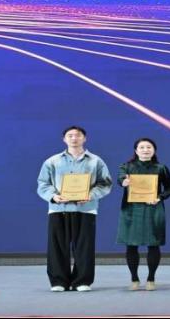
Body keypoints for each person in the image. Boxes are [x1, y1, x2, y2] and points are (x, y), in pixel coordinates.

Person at [36, 125, 113, 292]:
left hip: (86, 209)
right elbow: (42, 183)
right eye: (70, 135)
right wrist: (53, 196)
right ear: (64, 139)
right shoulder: (52, 161)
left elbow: (106, 183)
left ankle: (82, 281)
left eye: (78, 135)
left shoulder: (96, 161)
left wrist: (91, 195)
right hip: (58, 209)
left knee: (84, 247)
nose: (74, 138)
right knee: (57, 247)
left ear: (84, 138)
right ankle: (58, 281)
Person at [117, 137, 170, 291]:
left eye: (149, 147)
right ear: (136, 151)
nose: (145, 150)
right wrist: (124, 182)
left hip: (153, 208)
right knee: (131, 245)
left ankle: (151, 278)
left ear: (154, 150)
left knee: (154, 244)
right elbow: (120, 179)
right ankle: (134, 279)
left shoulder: (161, 168)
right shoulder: (126, 166)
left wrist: (159, 197)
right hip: (131, 209)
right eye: (141, 147)